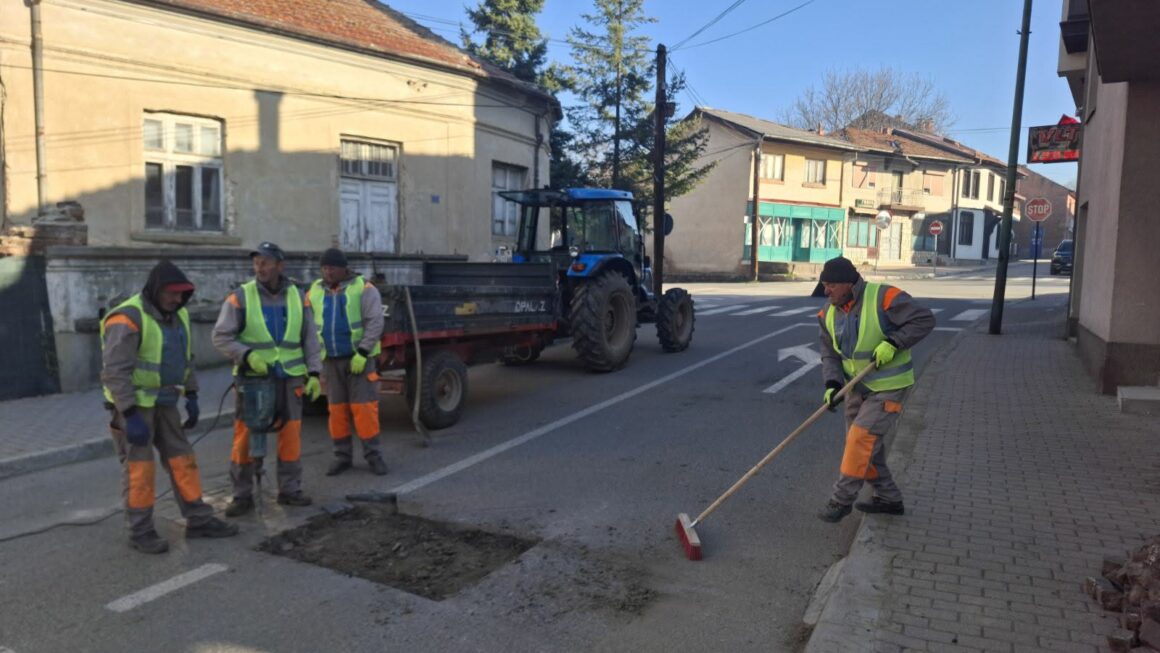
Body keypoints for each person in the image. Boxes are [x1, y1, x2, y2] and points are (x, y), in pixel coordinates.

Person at [101, 260, 239, 553]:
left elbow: (185, 358)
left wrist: (192, 394)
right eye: (172, 293)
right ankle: (141, 532)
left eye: (181, 294)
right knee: (140, 470)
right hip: (135, 408)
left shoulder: (179, 315)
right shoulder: (127, 318)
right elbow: (114, 372)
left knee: (183, 461)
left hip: (166, 403)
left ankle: (199, 520)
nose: (177, 299)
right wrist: (129, 414)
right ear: (156, 289)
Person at [814, 256, 934, 523]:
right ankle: (889, 498)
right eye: (824, 285)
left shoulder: (883, 297)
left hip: (889, 386)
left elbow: (924, 320)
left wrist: (894, 342)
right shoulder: (827, 313)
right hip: (856, 388)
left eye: (831, 285)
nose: (826, 291)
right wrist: (832, 384)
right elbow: (829, 353)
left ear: (848, 283)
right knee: (866, 449)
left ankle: (841, 500)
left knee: (860, 440)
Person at [212, 242, 322, 517]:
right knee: (246, 437)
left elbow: (310, 337)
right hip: (253, 380)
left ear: (280, 266)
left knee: (290, 436)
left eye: (265, 262)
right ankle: (242, 495)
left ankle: (290, 490)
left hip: (290, 378)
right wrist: (247, 355)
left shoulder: (299, 296)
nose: (259, 267)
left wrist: (315, 373)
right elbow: (221, 337)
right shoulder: (241, 297)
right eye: (256, 262)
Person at [307, 248, 388, 476]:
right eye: (324, 268)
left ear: (344, 268)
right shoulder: (314, 291)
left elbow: (375, 322)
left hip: (358, 360)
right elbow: (307, 324)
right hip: (330, 361)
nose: (328, 272)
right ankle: (342, 456)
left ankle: (374, 456)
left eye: (332, 268)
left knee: (365, 411)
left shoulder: (364, 288)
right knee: (337, 411)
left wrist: (362, 352)